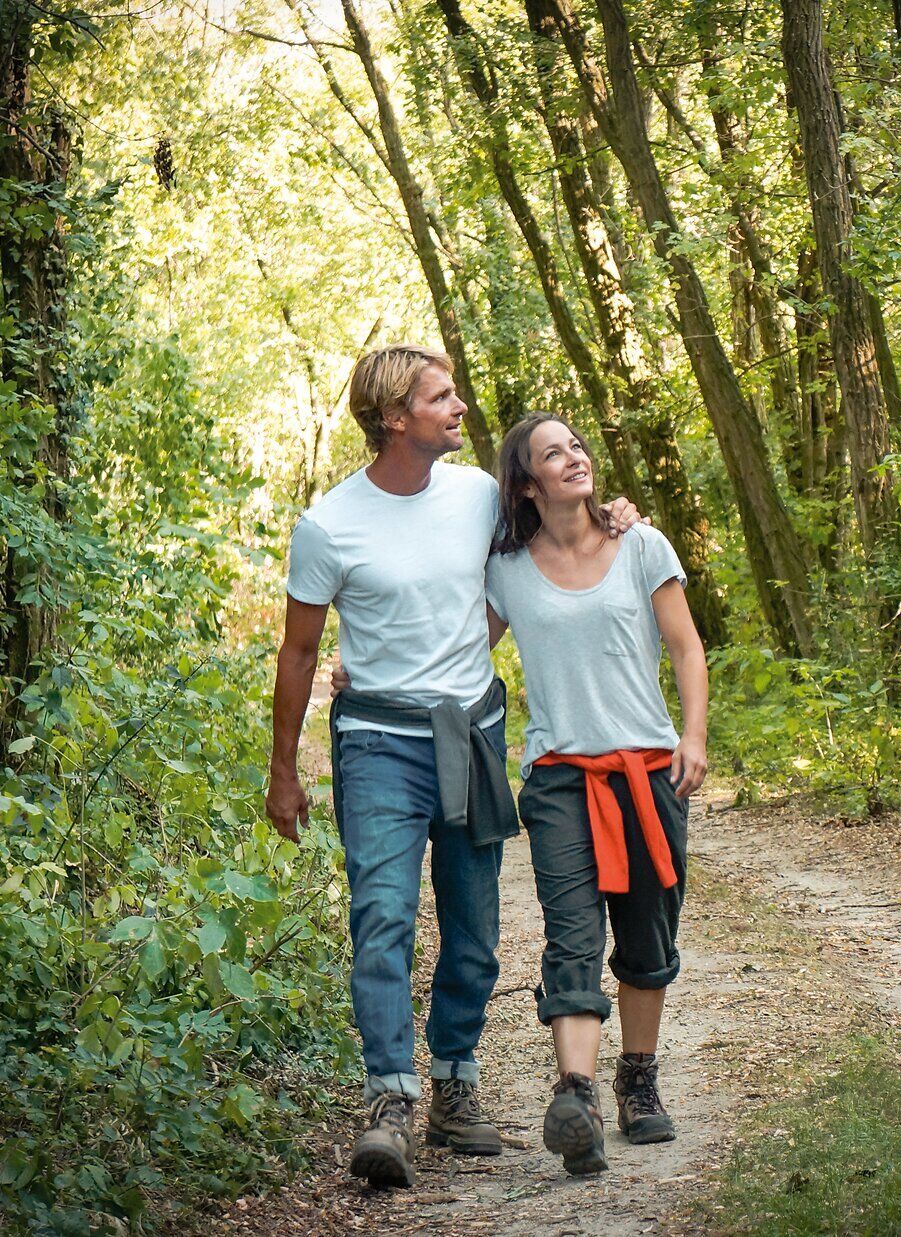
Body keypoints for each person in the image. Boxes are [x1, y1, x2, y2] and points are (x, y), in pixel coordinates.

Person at [264, 346, 640, 1189]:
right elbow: (298, 652)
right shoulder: (329, 524)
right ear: (395, 417)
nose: (459, 406)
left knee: (474, 925)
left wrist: (617, 513)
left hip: (470, 733)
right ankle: (389, 1099)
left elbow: (558, 534)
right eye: (441, 397)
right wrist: (283, 770)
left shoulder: (477, 495)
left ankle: (455, 1084)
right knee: (384, 915)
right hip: (377, 741)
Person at [483, 414, 708, 1177]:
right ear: (527, 484)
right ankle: (574, 1098)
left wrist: (694, 737)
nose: (574, 457)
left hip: (650, 772)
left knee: (647, 933)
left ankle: (637, 1080)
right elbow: (456, 648)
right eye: (554, 453)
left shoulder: (641, 544)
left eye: (576, 445)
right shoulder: (507, 569)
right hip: (558, 779)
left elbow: (686, 646)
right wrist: (366, 667)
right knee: (571, 933)